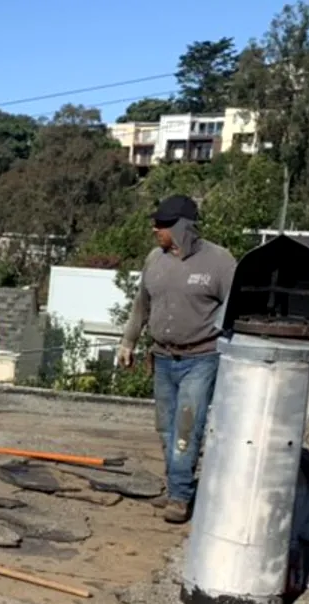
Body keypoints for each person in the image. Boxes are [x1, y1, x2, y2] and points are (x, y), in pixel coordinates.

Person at [119, 195, 237, 525]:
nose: (156, 229)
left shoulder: (220, 262)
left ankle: (180, 496)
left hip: (201, 357)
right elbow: (141, 305)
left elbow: (237, 309)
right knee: (166, 428)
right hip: (162, 357)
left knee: (187, 426)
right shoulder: (154, 260)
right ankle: (175, 486)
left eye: (164, 224)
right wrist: (128, 341)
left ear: (183, 227)